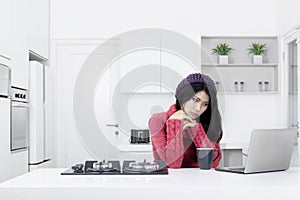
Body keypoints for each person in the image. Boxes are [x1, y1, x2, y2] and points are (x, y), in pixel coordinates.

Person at [148, 73, 223, 168]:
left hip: (201, 180)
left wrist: (196, 129)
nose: (198, 108)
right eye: (195, 100)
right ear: (183, 97)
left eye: (205, 104)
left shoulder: (206, 121)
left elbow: (212, 164)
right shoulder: (158, 120)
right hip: (168, 180)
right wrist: (174, 123)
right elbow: (172, 164)